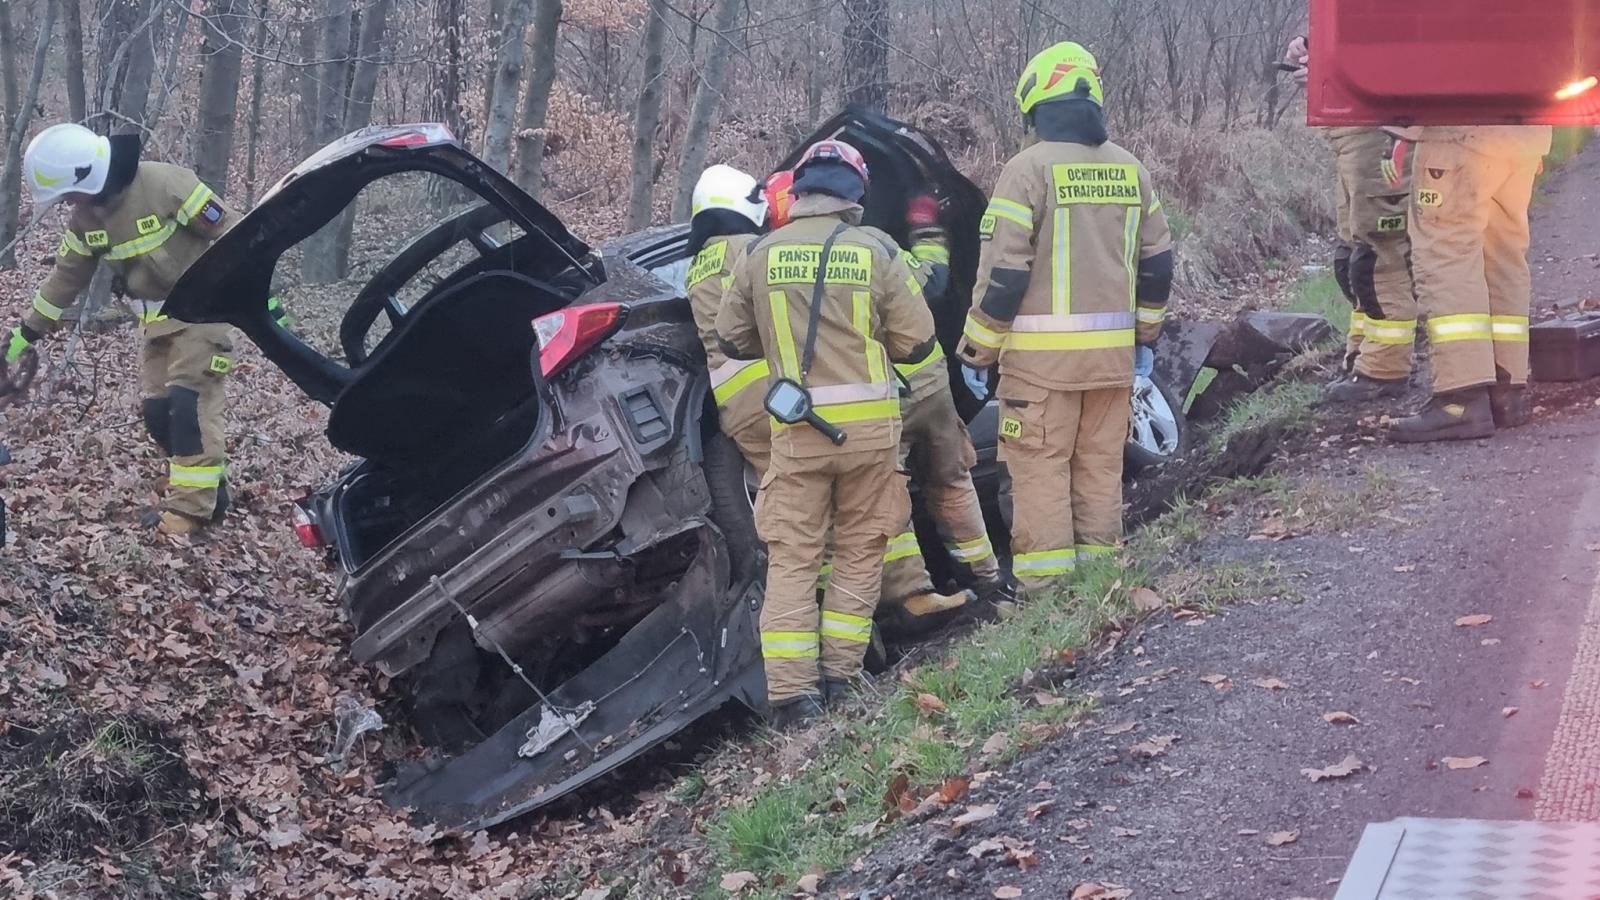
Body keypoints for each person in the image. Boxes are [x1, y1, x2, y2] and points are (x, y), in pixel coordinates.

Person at [715, 140, 937, 726]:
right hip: (869, 435)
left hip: (797, 435)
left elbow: (731, 339)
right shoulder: (876, 251)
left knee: (793, 558)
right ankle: (842, 676)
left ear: (800, 191)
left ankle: (794, 696)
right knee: (860, 551)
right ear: (855, 194)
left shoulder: (759, 254)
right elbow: (918, 342)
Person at [955, 41, 1173, 597]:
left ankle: (1049, 596)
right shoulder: (1131, 170)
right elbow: (1157, 264)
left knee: (1039, 468)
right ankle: (1101, 583)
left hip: (1040, 369)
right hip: (1112, 363)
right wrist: (1145, 338)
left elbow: (1004, 274)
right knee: (1100, 467)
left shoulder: (1027, 170)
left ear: (1036, 106)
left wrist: (978, 350)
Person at [4, 124, 235, 535]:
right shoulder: (85, 220)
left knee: (189, 405)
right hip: (155, 325)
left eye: (68, 194)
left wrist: (262, 298)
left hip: (204, 315)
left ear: (86, 175)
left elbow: (237, 234)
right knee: (159, 413)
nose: (67, 203)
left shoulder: (165, 184)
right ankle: (210, 489)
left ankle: (191, 512)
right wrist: (25, 334)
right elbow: (66, 278)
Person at [1384, 124, 1552, 441]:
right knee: (1503, 253)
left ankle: (1460, 399)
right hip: (1525, 133)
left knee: (1446, 251)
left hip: (1457, 132)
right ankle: (1506, 393)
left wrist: (1399, 128)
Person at [1285, 35, 1419, 403]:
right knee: (1351, 257)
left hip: (1379, 131)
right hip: (1353, 133)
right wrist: (1313, 50)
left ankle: (1386, 368)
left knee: (1380, 256)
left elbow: (1394, 46)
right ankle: (1363, 354)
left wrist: (1329, 72)